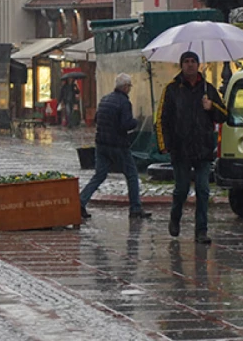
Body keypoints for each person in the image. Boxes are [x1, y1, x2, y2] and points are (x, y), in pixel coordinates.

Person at [156, 51, 227, 245]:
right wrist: (164, 145)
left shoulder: (207, 89)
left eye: (193, 61)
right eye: (186, 62)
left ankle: (201, 231)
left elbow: (223, 115)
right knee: (182, 189)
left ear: (198, 64)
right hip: (181, 150)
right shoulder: (172, 89)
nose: (190, 65)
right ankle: (175, 217)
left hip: (203, 149)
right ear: (181, 65)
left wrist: (211, 106)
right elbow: (162, 118)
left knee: (203, 190)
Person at [79, 74, 151, 220]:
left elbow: (97, 119)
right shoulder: (124, 102)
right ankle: (135, 209)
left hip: (101, 144)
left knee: (99, 175)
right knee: (132, 175)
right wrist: (136, 122)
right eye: (129, 86)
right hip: (118, 145)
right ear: (125, 87)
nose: (129, 89)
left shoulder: (105, 99)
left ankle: (80, 202)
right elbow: (126, 124)